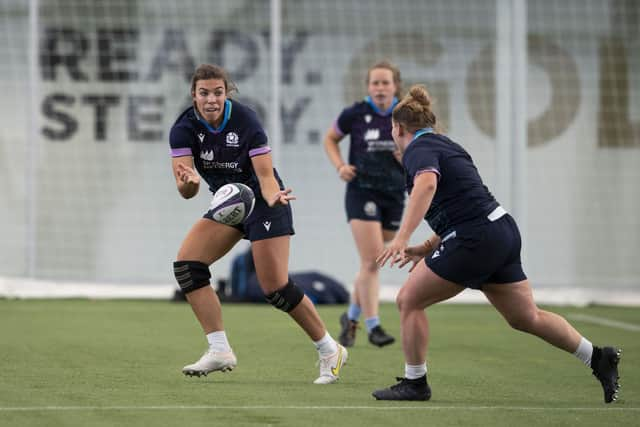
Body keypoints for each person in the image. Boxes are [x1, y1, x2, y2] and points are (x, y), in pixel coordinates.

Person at [372, 84, 622, 403]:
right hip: (500, 231)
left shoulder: (416, 151)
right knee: (525, 317)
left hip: (476, 238)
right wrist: (427, 246)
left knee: (409, 300)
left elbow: (427, 184)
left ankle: (415, 383)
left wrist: (403, 237)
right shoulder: (449, 146)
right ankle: (597, 356)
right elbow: (464, 204)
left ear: (398, 128)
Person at [169, 64, 347, 384]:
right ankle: (219, 349)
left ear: (227, 93)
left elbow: (265, 176)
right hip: (230, 205)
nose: (211, 99)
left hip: (266, 202)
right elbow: (185, 190)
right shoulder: (182, 129)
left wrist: (273, 197)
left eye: (218, 92)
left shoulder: (245, 119)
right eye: (204, 93)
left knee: (275, 288)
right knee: (187, 266)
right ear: (194, 95)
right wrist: (191, 181)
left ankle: (330, 349)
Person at [323, 61, 405, 348]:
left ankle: (350, 316)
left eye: (385, 83)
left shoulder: (406, 114)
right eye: (375, 83)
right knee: (372, 260)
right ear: (368, 86)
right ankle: (373, 326)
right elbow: (330, 139)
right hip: (361, 192)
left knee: (370, 263)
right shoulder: (356, 113)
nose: (380, 88)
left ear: (396, 86)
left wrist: (406, 156)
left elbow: (425, 147)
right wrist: (340, 166)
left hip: (394, 194)